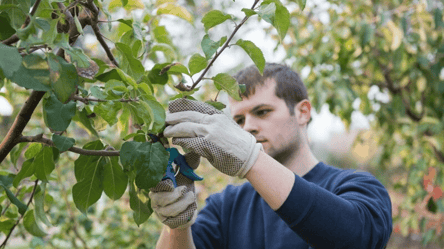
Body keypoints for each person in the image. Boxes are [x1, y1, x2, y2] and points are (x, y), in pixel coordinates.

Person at [149, 63, 392, 249]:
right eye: (239, 120)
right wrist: (177, 226)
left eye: (262, 112)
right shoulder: (225, 207)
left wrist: (251, 158)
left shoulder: (357, 187)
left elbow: (355, 238)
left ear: (302, 112)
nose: (248, 127)